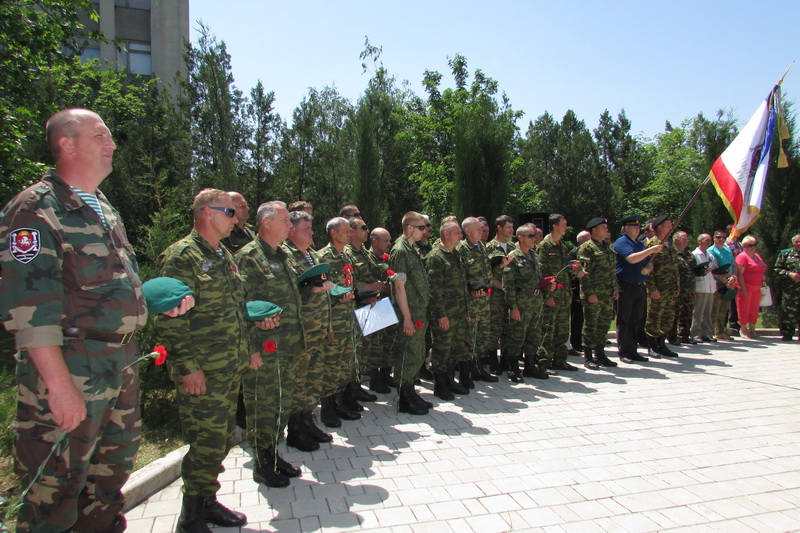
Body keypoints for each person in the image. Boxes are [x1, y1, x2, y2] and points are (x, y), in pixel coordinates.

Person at [0, 108, 192, 533]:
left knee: (109, 480)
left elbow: (107, 286)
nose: (112, 144)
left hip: (117, 362)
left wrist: (152, 304)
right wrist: (59, 385)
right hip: (72, 365)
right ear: (67, 144)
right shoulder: (35, 209)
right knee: (56, 491)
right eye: (100, 136)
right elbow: (28, 308)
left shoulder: (103, 207)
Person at [156, 188, 274, 531]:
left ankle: (206, 500)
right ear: (207, 212)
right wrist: (188, 368)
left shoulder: (223, 255)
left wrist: (251, 343)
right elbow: (170, 318)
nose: (236, 218)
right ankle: (190, 518)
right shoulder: (182, 256)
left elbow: (238, 309)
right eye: (229, 211)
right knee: (206, 442)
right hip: (203, 370)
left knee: (221, 438)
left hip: (228, 367)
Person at [235, 201, 313, 490]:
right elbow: (241, 306)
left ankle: (273, 455)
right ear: (266, 222)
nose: (290, 226)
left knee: (281, 404)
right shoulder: (249, 257)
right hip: (265, 347)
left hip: (289, 345)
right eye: (284, 221)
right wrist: (251, 348)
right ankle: (262, 463)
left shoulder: (283, 256)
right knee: (263, 407)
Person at [281, 211, 337, 430]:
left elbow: (323, 292)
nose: (312, 232)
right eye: (306, 228)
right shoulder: (286, 255)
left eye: (312, 228)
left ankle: (308, 419)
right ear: (292, 230)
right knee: (299, 381)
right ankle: (296, 427)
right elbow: (288, 293)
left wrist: (328, 326)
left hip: (319, 329)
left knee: (314, 379)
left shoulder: (312, 255)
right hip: (303, 332)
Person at [317, 217, 361, 419]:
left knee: (344, 364)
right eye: (346, 230)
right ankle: (328, 408)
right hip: (333, 321)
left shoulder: (346, 257)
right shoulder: (323, 257)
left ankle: (340, 401)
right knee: (331, 365)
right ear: (333, 233)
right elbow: (320, 293)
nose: (350, 233)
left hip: (348, 319)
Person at [390, 211, 432, 414]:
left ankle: (410, 391)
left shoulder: (411, 249)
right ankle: (404, 398)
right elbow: (399, 287)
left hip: (418, 310)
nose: (424, 231)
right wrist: (406, 317)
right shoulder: (400, 251)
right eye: (421, 227)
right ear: (409, 228)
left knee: (417, 353)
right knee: (408, 353)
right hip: (409, 312)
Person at [427, 217, 471, 399]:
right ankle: (440, 385)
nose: (461, 235)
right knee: (441, 349)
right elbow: (434, 290)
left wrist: (466, 312)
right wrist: (441, 315)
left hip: (459, 313)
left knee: (455, 349)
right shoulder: (436, 257)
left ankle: (450, 380)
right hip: (445, 314)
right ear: (446, 234)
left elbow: (462, 285)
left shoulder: (455, 254)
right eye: (457, 232)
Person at [536, 214, 585, 372]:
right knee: (548, 330)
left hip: (564, 296)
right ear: (555, 226)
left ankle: (559, 360)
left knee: (562, 331)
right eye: (563, 225)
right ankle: (544, 362)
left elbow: (566, 270)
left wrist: (577, 271)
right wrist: (548, 295)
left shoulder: (562, 247)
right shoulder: (544, 246)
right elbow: (541, 273)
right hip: (552, 296)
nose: (566, 227)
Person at [504, 224, 550, 381]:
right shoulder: (513, 257)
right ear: (521, 238)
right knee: (517, 336)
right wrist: (513, 307)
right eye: (531, 236)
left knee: (534, 335)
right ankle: (514, 369)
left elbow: (537, 280)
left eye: (535, 236)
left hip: (536, 303)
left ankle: (530, 367)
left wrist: (546, 284)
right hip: (521, 304)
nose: (534, 239)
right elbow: (508, 285)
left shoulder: (534, 256)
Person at [614, 214, 662, 364]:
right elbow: (632, 258)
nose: (637, 229)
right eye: (634, 227)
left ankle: (633, 350)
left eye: (638, 227)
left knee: (636, 319)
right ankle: (624, 351)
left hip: (639, 285)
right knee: (625, 320)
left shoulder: (639, 244)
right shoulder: (622, 242)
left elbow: (648, 263)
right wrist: (651, 250)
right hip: (625, 285)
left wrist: (648, 268)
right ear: (626, 228)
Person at [456, 217, 493, 387]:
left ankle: (478, 369)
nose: (482, 231)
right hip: (470, 303)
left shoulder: (482, 247)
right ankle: (466, 373)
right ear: (468, 231)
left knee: (483, 337)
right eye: (478, 229)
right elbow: (459, 278)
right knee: (468, 338)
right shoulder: (461, 250)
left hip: (484, 301)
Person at [577, 218, 619, 369]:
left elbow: (611, 272)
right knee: (590, 325)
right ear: (594, 230)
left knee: (603, 325)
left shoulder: (606, 247)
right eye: (603, 227)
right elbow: (584, 273)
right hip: (593, 294)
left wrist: (615, 290)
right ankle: (588, 356)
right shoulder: (587, 248)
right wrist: (589, 293)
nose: (606, 230)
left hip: (607, 293)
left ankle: (600, 354)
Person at [361, 227, 396, 392]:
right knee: (374, 345)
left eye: (389, 240)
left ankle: (386, 374)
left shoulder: (386, 258)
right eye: (385, 240)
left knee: (387, 342)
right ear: (374, 241)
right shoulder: (367, 258)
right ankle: (375, 379)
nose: (389, 243)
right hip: (374, 305)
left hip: (386, 305)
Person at [644, 215, 680, 358]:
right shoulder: (653, 244)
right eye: (668, 226)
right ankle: (652, 346)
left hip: (670, 288)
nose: (671, 228)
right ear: (659, 227)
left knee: (667, 317)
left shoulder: (669, 244)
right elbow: (648, 269)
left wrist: (677, 286)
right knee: (654, 317)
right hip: (658, 289)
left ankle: (662, 344)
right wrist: (653, 288)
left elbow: (674, 268)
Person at [484, 215, 515, 378]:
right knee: (494, 328)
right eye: (508, 227)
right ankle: (492, 361)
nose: (511, 230)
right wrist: (501, 287)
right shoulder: (489, 247)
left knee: (508, 328)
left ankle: (505, 359)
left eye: (512, 227)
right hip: (495, 296)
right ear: (499, 228)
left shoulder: (513, 247)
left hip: (510, 296)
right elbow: (487, 274)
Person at [735, 235, 767, 339]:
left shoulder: (757, 256)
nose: (752, 247)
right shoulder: (742, 256)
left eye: (754, 245)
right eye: (749, 245)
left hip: (757, 288)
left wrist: (763, 280)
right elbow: (739, 274)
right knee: (744, 309)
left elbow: (761, 269)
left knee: (754, 309)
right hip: (746, 288)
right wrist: (743, 289)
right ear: (744, 246)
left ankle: (752, 329)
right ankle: (743, 329)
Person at [669, 231, 697, 345]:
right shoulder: (672, 254)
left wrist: (694, 290)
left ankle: (684, 335)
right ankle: (672, 336)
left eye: (687, 239)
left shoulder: (689, 254)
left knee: (687, 313)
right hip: (677, 290)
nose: (686, 241)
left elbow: (693, 271)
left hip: (689, 289)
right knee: (675, 313)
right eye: (683, 238)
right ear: (676, 240)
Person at [709, 229, 737, 340]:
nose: (721, 240)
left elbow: (734, 265)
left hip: (728, 284)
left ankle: (720, 331)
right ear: (714, 238)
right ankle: (710, 331)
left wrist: (733, 277)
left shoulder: (727, 250)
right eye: (719, 237)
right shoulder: (711, 251)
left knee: (723, 310)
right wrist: (724, 279)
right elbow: (712, 269)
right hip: (717, 284)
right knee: (714, 310)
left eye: (724, 238)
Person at [691, 234, 717, 342]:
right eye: (706, 240)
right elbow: (693, 271)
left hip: (710, 286)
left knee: (708, 311)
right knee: (698, 312)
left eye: (710, 240)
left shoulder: (710, 255)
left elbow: (714, 269)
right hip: (700, 286)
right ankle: (695, 333)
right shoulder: (695, 254)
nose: (709, 242)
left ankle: (707, 333)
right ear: (700, 241)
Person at [569, 230, 591, 356]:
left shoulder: (590, 251)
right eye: (588, 238)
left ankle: (584, 342)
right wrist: (576, 294)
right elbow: (572, 275)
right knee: (577, 319)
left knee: (585, 318)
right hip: (578, 292)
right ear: (582, 240)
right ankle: (576, 343)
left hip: (589, 291)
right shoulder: (574, 253)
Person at [775, 234, 800, 341]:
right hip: (791, 290)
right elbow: (777, 269)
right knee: (788, 312)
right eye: (797, 242)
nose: (799, 244)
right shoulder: (785, 254)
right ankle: (787, 333)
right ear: (793, 242)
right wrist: (789, 274)